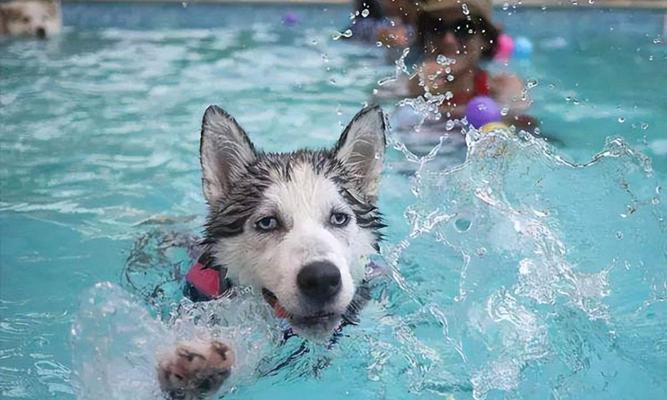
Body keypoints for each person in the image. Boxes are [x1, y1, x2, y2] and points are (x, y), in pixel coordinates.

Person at [409, 0, 532, 126]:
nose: (448, 40)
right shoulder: (412, 87)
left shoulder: (503, 87)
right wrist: (416, 90)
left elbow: (522, 125)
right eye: (436, 27)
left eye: (463, 28)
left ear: (485, 39)